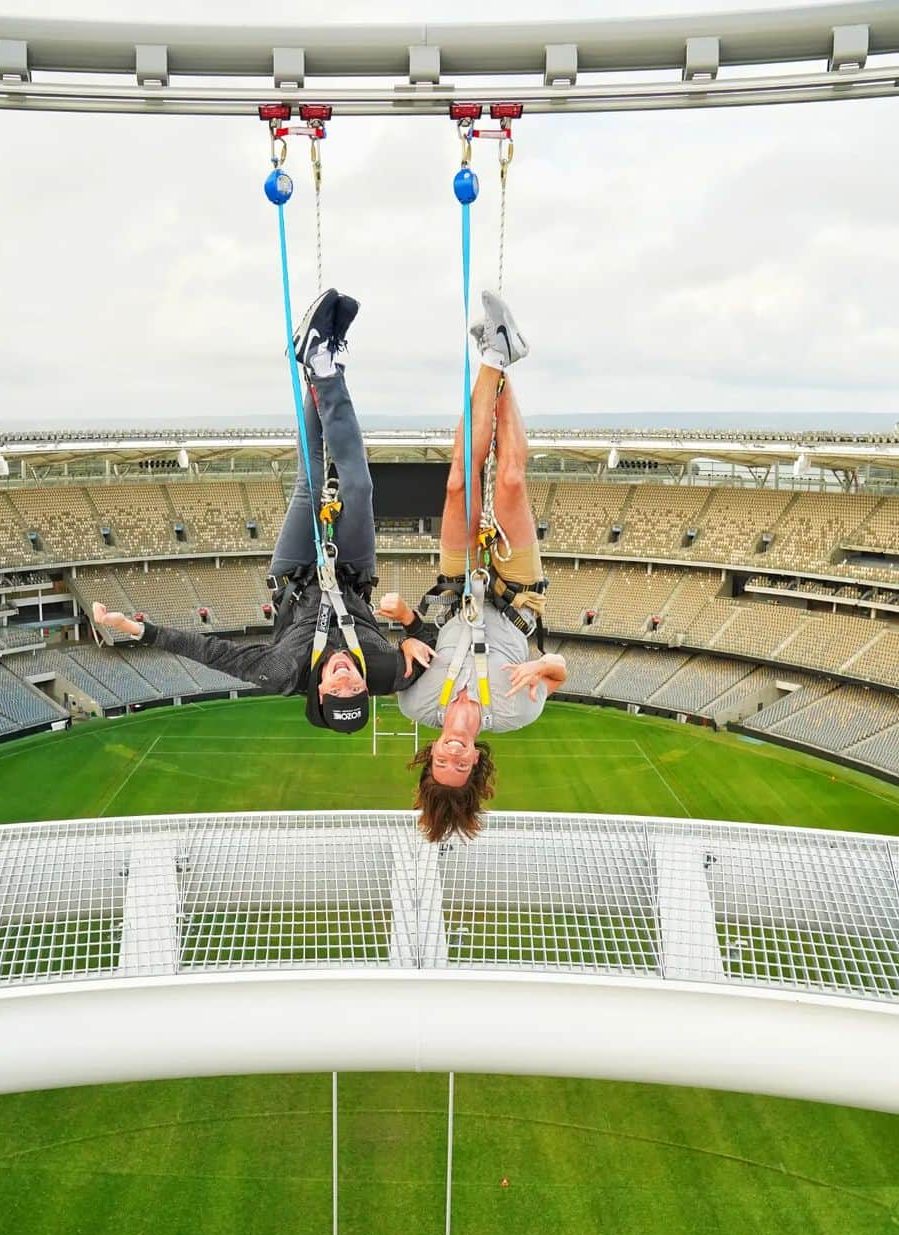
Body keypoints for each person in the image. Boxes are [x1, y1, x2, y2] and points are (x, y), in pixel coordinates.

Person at [92, 289, 434, 732]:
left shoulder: (282, 672)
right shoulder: (388, 673)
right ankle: (322, 359)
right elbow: (430, 644)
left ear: (318, 693)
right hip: (351, 572)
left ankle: (322, 362)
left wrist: (140, 630)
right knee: (361, 486)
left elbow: (212, 653)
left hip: (296, 574)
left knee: (311, 486)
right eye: (355, 692)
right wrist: (412, 626)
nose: (346, 680)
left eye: (336, 692)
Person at [377, 292, 567, 841]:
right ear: (476, 763)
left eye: (444, 762)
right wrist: (541, 668)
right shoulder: (515, 716)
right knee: (507, 481)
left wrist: (406, 632)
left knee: (461, 480)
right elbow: (558, 670)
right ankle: (500, 359)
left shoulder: (415, 704)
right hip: (517, 598)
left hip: (457, 589)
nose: (454, 755)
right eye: (463, 765)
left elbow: (412, 643)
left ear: (431, 752)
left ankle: (497, 356)